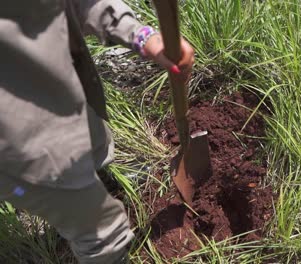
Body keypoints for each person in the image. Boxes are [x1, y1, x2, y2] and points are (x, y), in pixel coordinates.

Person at [0, 0, 194, 263]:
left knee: (95, 141)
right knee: (102, 234)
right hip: (17, 139)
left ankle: (95, 178)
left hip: (55, 86)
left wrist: (141, 36)